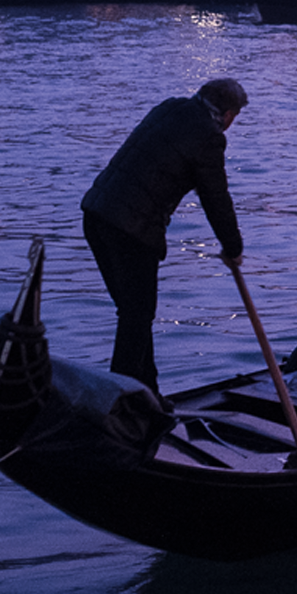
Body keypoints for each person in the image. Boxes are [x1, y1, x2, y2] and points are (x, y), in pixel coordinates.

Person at [80, 77, 248, 393]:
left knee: (134, 315)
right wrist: (233, 247)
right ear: (228, 115)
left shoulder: (170, 108)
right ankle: (121, 399)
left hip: (97, 214)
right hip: (131, 228)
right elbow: (215, 198)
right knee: (136, 315)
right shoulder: (209, 137)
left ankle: (148, 394)